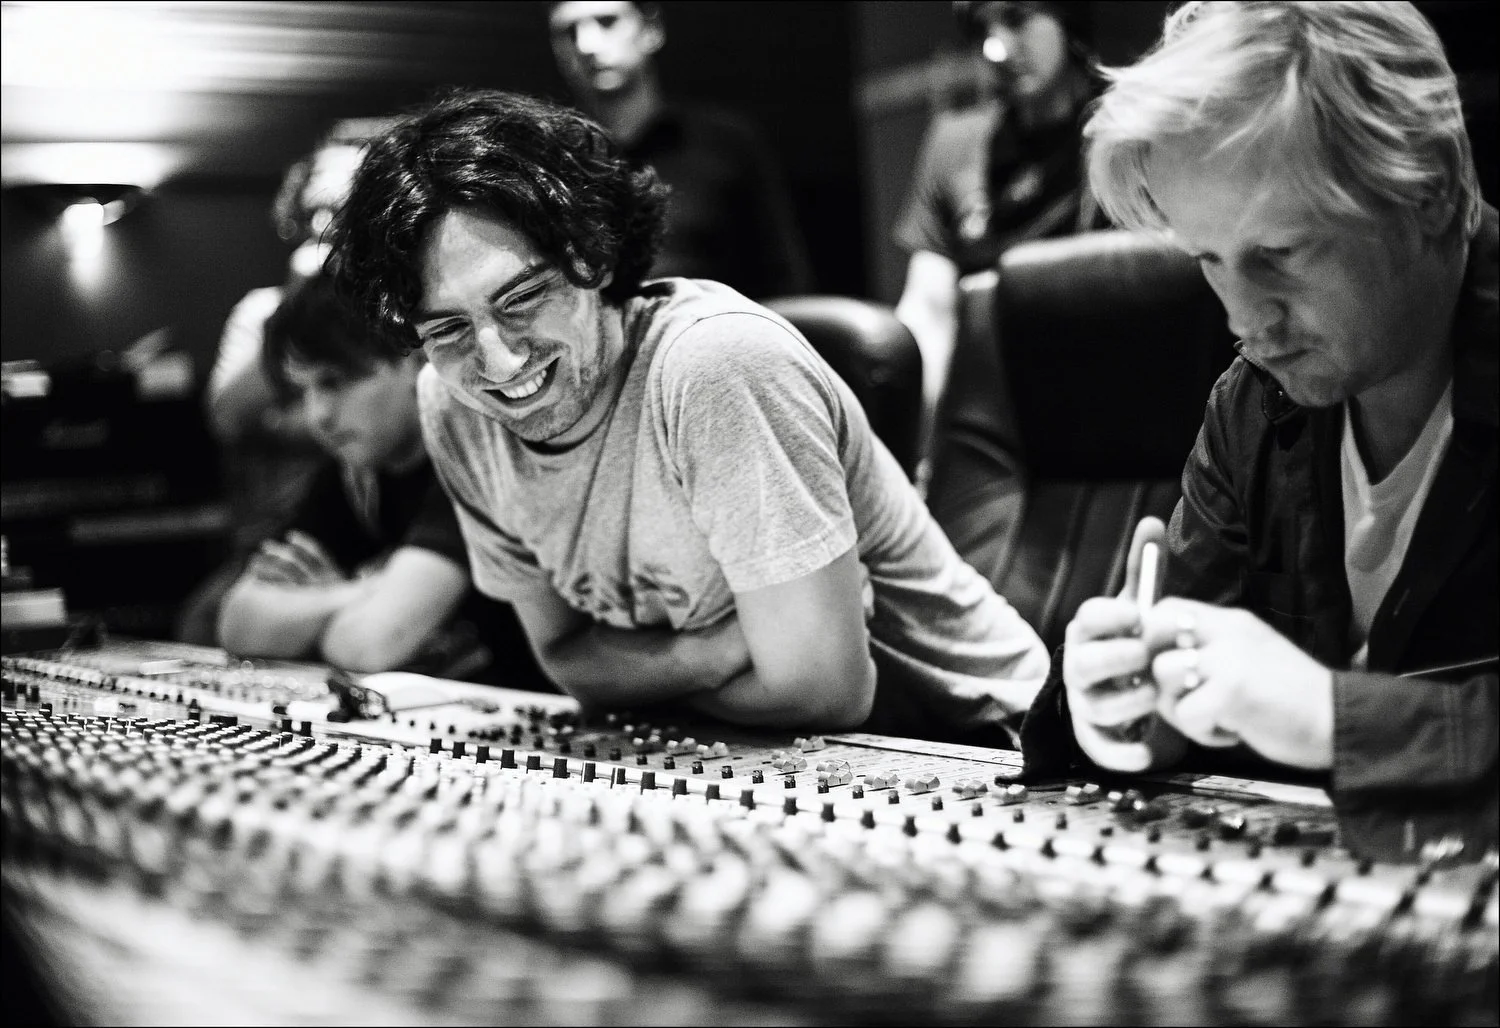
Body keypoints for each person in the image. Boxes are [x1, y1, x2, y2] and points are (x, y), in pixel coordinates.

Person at [326, 88, 1050, 739]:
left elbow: (825, 691)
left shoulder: (715, 366)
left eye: (522, 299)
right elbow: (566, 662)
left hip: (987, 748)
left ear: (593, 256)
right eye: (448, 329)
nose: (501, 362)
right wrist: (723, 648)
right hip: (771, 750)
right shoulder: (453, 408)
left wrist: (642, 681)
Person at [1021, 1, 1497, 850]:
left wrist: (1329, 716)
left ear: (1426, 191)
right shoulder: (1251, 403)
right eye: (1209, 260)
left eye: (1279, 254)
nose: (1245, 318)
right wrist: (1127, 710)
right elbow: (1178, 669)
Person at [215, 274, 550, 689]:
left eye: (334, 383)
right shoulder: (356, 474)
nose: (318, 415)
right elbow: (239, 622)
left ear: (412, 361)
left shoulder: (468, 452)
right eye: (303, 392)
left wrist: (321, 605)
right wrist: (364, 591)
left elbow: (371, 644)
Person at [175, 118, 398, 646]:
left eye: (343, 210)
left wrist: (280, 423)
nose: (327, 224)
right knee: (206, 619)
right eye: (317, 208)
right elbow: (230, 417)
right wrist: (301, 312)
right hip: (280, 535)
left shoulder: (398, 311)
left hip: (377, 528)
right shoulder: (262, 312)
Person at [895, 0, 1103, 491]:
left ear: (1067, 18)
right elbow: (928, 314)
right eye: (980, 29)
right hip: (993, 421)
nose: (994, 48)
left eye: (1016, 19)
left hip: (1108, 407)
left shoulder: (1128, 128)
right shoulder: (955, 142)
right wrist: (908, 452)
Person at [547, 0, 813, 300]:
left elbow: (782, 278)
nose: (586, 44)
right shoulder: (552, 159)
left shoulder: (726, 142)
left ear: (651, 29)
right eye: (569, 32)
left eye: (607, 22)